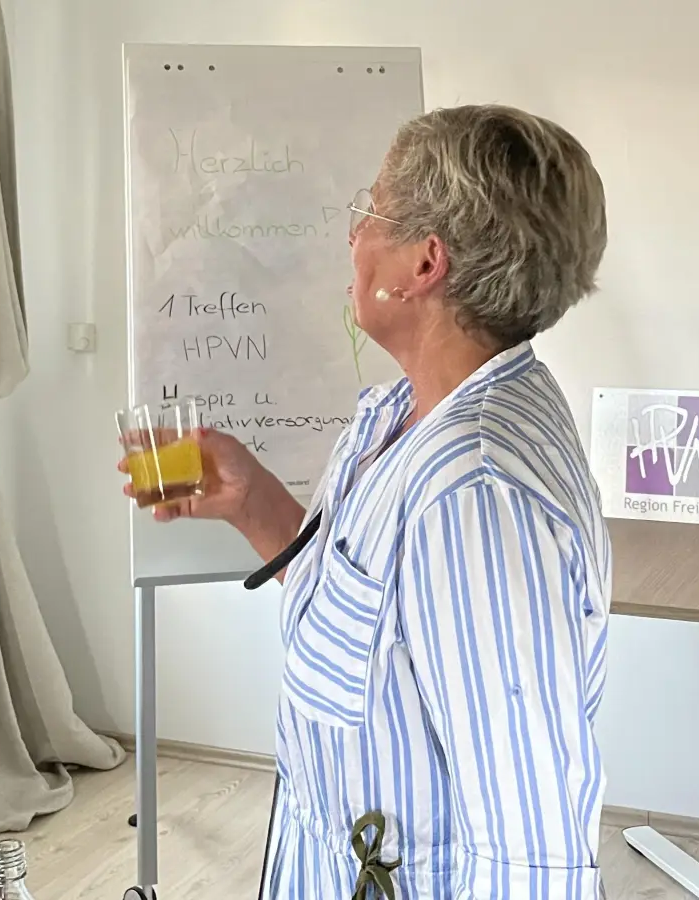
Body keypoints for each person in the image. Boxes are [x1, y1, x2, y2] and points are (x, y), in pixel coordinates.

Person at [123, 104, 612, 898]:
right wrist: (253, 504)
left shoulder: (477, 496)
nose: (353, 237)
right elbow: (369, 620)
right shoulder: (397, 417)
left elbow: (532, 833)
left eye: (369, 213)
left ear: (425, 264)